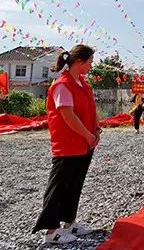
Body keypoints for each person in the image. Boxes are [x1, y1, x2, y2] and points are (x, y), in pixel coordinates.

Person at [32, 45, 100, 244]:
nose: (91, 66)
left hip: (84, 143)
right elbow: (68, 116)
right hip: (68, 144)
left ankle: (70, 223)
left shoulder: (83, 84)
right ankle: (51, 231)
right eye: (89, 62)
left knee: (74, 185)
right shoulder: (63, 84)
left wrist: (96, 131)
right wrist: (88, 136)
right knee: (59, 186)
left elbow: (91, 110)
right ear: (79, 62)